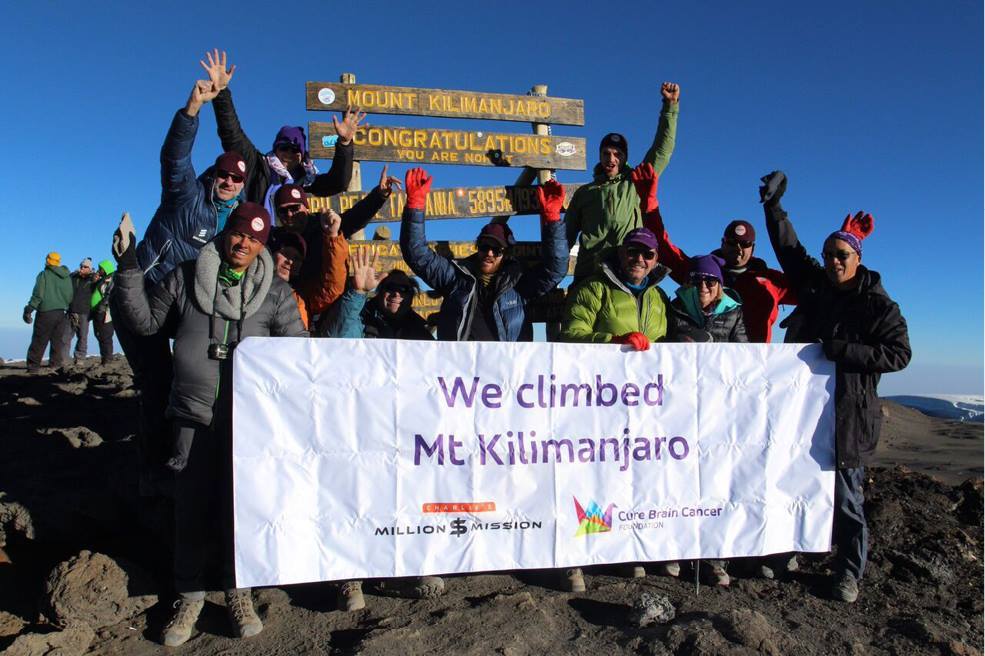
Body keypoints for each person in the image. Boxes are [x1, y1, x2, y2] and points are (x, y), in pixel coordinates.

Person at [113, 203, 307, 646]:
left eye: (255, 239)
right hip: (192, 415)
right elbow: (145, 323)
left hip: (250, 425)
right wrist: (127, 267)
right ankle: (191, 595)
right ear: (226, 234)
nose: (244, 244)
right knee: (192, 508)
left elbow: (298, 351)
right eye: (239, 234)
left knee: (242, 510)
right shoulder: (184, 276)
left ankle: (238, 592)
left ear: (262, 245)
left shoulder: (275, 292)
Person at [760, 170, 911, 603]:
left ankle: (848, 572)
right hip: (804, 412)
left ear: (857, 257)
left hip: (850, 414)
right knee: (793, 483)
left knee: (846, 500)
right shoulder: (815, 285)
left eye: (842, 254)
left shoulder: (878, 305)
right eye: (828, 254)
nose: (833, 261)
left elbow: (899, 354)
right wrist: (773, 207)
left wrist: (844, 351)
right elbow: (789, 248)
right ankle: (786, 553)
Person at [322, 250, 443, 611]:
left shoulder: (418, 330)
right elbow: (339, 340)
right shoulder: (361, 315)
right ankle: (349, 575)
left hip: (404, 428)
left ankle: (406, 568)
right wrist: (357, 293)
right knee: (356, 497)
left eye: (403, 291)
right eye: (389, 289)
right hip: (359, 422)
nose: (395, 295)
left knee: (404, 497)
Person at [631, 162, 796, 342]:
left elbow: (814, 292)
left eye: (745, 243)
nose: (738, 248)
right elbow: (664, 249)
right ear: (723, 243)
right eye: (732, 242)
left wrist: (801, 321)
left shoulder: (772, 282)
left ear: (753, 248)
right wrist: (649, 203)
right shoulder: (700, 274)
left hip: (755, 366)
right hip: (706, 364)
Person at [400, 168, 568, 342]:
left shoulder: (519, 283)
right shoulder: (455, 278)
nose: (489, 253)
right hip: (461, 366)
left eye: (497, 249)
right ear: (477, 247)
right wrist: (415, 205)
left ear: (506, 253)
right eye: (484, 246)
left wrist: (551, 217)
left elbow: (556, 269)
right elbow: (417, 254)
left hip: (507, 367)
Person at [200, 50, 360, 216]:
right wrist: (222, 92)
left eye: (295, 149)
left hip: (289, 239)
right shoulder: (258, 165)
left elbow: (338, 183)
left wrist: (345, 144)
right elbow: (231, 134)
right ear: (275, 148)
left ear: (302, 155)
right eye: (284, 147)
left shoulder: (307, 180)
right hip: (255, 237)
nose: (289, 153)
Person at [565, 82, 680, 281]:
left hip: (625, 274)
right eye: (606, 153)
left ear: (625, 157)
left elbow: (662, 150)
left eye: (617, 154)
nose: (611, 159)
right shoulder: (584, 193)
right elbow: (566, 237)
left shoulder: (636, 182)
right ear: (599, 156)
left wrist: (670, 107)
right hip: (589, 275)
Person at [560, 227, 675, 348]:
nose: (639, 259)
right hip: (604, 366)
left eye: (648, 254)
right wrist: (613, 341)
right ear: (621, 253)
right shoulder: (594, 289)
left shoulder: (660, 296)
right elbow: (570, 335)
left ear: (655, 259)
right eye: (632, 251)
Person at [669, 254, 747, 344]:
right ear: (688, 283)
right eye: (696, 280)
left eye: (710, 281)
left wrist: (712, 341)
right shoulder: (674, 309)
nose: (703, 287)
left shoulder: (733, 312)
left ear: (719, 286)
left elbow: (742, 350)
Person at [23, 252, 74, 372]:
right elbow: (70, 295)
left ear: (48, 260)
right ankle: (55, 365)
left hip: (45, 312)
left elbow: (38, 295)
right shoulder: (66, 277)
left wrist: (29, 309)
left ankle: (33, 367)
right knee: (57, 341)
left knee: (39, 340)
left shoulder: (44, 275)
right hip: (61, 313)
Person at [67, 257, 97, 365]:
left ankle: (80, 359)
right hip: (72, 310)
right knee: (66, 336)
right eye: (81, 266)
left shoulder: (93, 279)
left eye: (85, 267)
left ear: (89, 268)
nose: (82, 268)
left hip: (85, 312)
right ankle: (64, 358)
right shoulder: (73, 277)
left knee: (82, 337)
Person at [89, 260, 117, 365]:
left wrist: (101, 307)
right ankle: (104, 357)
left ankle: (108, 359)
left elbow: (109, 294)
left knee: (105, 335)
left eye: (100, 268)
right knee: (99, 335)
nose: (98, 270)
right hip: (97, 312)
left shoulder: (111, 279)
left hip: (105, 312)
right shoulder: (103, 279)